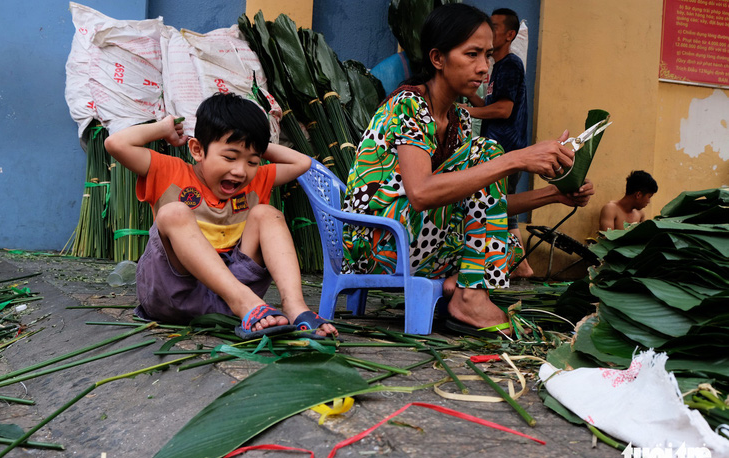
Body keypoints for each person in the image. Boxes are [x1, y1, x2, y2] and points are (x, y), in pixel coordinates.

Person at [341, 4, 593, 336]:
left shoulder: (459, 118)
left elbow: (486, 205)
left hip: (419, 240)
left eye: (488, 56)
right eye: (472, 54)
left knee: (507, 248)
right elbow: (420, 194)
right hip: (378, 244)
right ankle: (469, 294)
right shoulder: (409, 105)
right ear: (437, 58)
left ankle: (459, 286)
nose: (484, 68)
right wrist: (516, 159)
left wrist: (554, 194)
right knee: (487, 152)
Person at [104, 92, 337, 339]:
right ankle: (244, 302)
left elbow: (301, 163)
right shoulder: (168, 171)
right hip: (174, 295)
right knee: (174, 212)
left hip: (233, 303)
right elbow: (115, 144)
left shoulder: (255, 180)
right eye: (229, 157)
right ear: (197, 149)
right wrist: (163, 128)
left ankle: (294, 306)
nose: (239, 171)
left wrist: (253, 143)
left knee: (269, 214)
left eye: (251, 161)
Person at [463, 8, 533, 278]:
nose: (488, 31)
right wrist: (470, 96)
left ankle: (521, 265)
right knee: (502, 205)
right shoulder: (497, 67)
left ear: (509, 35)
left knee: (503, 206)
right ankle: (520, 266)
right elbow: (491, 106)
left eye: (494, 26)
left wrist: (465, 112)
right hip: (499, 147)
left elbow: (503, 111)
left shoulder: (511, 65)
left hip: (507, 148)